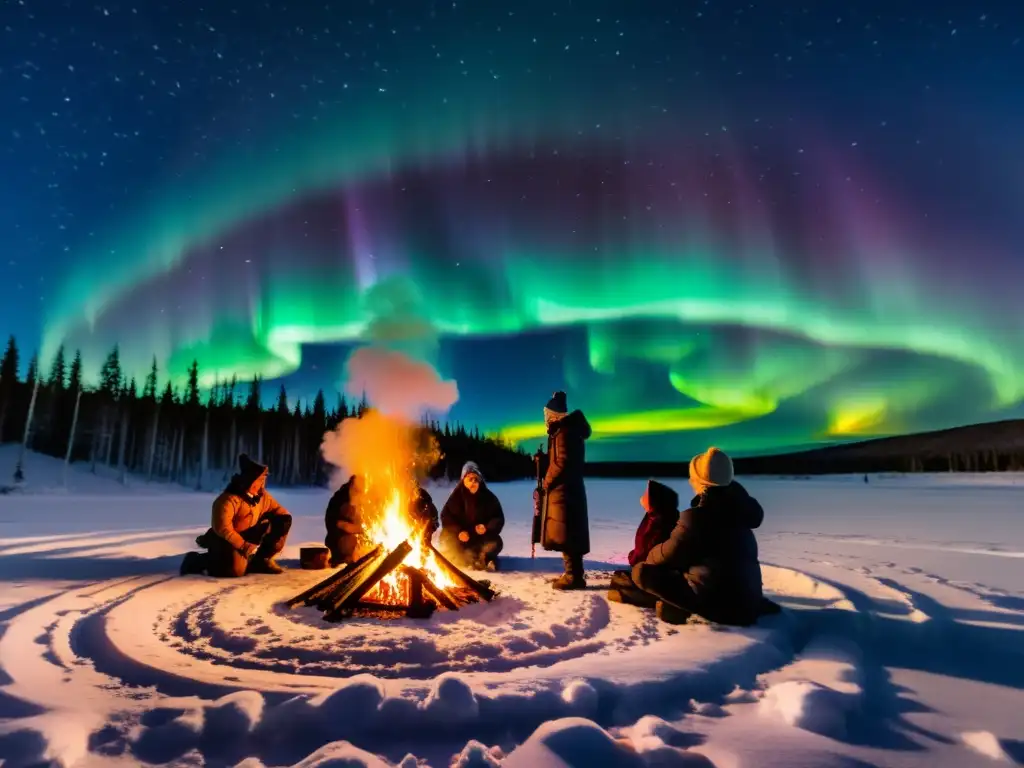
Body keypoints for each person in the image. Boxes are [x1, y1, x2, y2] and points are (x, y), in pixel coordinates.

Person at [631, 447, 771, 625]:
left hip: (723, 610)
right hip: (749, 604)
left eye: (693, 477)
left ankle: (678, 607)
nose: (690, 481)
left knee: (641, 572)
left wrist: (649, 556)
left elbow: (665, 556)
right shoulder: (740, 510)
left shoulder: (697, 517)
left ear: (701, 482)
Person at [180, 454, 292, 577]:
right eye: (260, 481)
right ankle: (197, 560)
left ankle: (261, 560)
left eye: (264, 481)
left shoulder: (262, 497)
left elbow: (279, 512)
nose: (262, 485)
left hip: (248, 536)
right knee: (234, 571)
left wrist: (281, 523)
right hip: (225, 541)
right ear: (250, 480)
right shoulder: (228, 500)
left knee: (283, 520)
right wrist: (244, 546)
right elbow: (223, 528)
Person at [538, 390, 592, 589]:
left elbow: (562, 461)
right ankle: (572, 574)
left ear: (554, 414)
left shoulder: (564, 432)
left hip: (565, 492)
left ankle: (573, 577)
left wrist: (547, 481)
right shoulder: (567, 431)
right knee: (568, 533)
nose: (545, 419)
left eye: (547, 415)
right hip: (569, 490)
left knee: (568, 533)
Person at [608, 480, 680, 606]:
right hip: (657, 572)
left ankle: (655, 598)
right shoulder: (659, 517)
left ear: (654, 500)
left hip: (654, 573)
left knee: (619, 580)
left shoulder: (658, 522)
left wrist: (632, 556)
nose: (642, 497)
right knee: (621, 576)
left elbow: (644, 551)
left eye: (647, 493)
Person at [439, 461, 506, 570]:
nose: (473, 481)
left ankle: (484, 559)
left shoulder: (489, 497)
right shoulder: (456, 497)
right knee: (446, 539)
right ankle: (459, 560)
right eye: (469, 478)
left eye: (476, 478)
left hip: (480, 538)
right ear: (463, 480)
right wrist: (459, 531)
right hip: (461, 538)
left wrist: (487, 528)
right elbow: (446, 517)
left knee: (496, 543)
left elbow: (498, 517)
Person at [324, 474, 365, 566]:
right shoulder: (341, 500)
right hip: (339, 542)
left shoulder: (357, 497)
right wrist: (364, 530)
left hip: (350, 540)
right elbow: (342, 525)